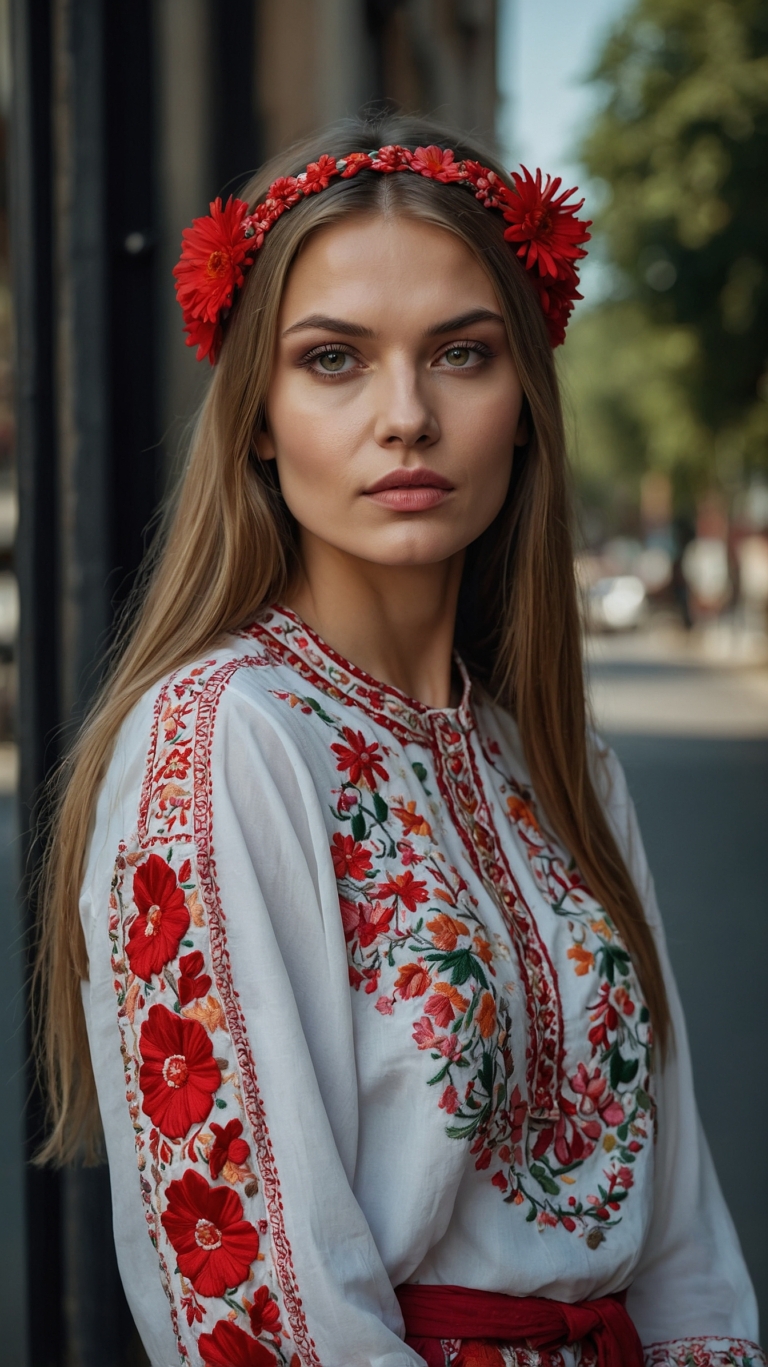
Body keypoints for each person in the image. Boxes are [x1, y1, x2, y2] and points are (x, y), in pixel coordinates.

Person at [36, 114, 763, 1367]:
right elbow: (254, 1309)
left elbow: (684, 1231)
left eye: (462, 354)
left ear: (525, 403)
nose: (407, 416)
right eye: (334, 359)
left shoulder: (562, 762)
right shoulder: (221, 740)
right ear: (257, 416)